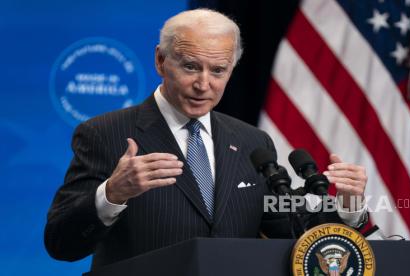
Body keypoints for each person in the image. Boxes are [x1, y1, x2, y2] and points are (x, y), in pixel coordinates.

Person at [44, 9, 368, 269]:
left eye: (218, 70)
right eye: (190, 67)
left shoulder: (252, 141)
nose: (204, 84)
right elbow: (61, 243)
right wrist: (112, 194)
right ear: (160, 60)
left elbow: (288, 229)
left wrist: (349, 205)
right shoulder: (105, 133)